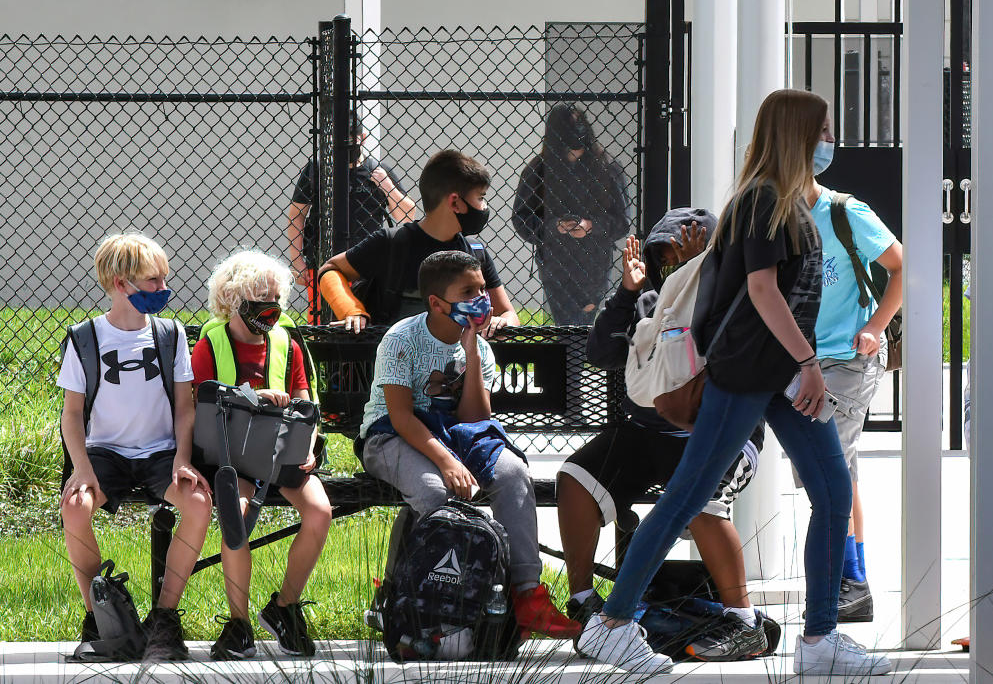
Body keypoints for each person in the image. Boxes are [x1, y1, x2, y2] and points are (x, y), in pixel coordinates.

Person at [576, 89, 891, 676]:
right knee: (688, 496)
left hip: (774, 374)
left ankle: (820, 639)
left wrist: (798, 365)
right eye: (823, 131)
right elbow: (764, 290)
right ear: (798, 134)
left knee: (832, 490)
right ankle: (612, 624)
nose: (830, 141)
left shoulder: (782, 197)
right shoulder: (764, 198)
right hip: (750, 370)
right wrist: (808, 363)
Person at [561, 207, 767, 660]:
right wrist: (626, 290)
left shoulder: (736, 289)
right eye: (665, 256)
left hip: (720, 433)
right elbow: (601, 352)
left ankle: (743, 622)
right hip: (647, 433)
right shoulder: (648, 299)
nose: (674, 264)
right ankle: (582, 602)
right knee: (576, 477)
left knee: (702, 502)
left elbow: (720, 341)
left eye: (687, 253)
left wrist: (703, 273)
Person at [357, 250, 579, 639]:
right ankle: (409, 597)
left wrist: (473, 352)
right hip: (391, 435)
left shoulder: (480, 346)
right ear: (437, 303)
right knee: (434, 493)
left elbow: (476, 420)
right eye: (469, 291)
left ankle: (528, 596)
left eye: (483, 288)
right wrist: (446, 462)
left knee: (512, 473)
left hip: (455, 433)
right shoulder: (401, 339)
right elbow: (400, 417)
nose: (483, 299)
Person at [57, 233, 212, 661]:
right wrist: (82, 468)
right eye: (153, 280)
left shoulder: (171, 334)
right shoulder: (85, 338)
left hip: (160, 453)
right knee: (74, 507)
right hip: (105, 454)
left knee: (199, 503)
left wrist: (182, 458)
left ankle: (164, 618)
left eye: (165, 277)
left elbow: (185, 407)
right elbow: (72, 414)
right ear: (121, 283)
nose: (164, 287)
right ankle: (101, 620)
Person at [191, 250, 332, 660]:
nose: (269, 309)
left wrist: (308, 446)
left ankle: (285, 607)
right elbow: (200, 402)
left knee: (319, 511)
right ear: (233, 298)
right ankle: (239, 623)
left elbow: (306, 404)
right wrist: (252, 398)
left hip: (279, 452)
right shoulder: (211, 345)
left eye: (275, 299)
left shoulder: (287, 345)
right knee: (235, 514)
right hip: (231, 456)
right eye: (259, 299)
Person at [805, 125, 903, 622]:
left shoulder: (845, 212)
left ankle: (851, 581)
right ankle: (852, 577)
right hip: (795, 360)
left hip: (846, 359)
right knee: (835, 470)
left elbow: (901, 266)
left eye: (827, 134)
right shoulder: (768, 213)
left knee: (831, 470)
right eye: (815, 134)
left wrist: (875, 326)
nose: (825, 144)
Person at [317, 149, 519, 335]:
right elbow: (329, 269)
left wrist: (502, 322)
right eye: (481, 197)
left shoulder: (476, 252)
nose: (484, 207)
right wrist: (351, 311)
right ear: (455, 202)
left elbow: (508, 314)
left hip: (457, 370)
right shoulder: (391, 243)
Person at [512, 104, 630, 325]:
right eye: (566, 152)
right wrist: (554, 227)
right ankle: (572, 358)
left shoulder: (607, 167)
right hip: (556, 265)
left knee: (585, 328)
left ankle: (579, 357)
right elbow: (521, 217)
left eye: (579, 149)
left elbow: (622, 221)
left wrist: (590, 225)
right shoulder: (539, 169)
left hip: (594, 264)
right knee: (566, 329)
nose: (574, 156)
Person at [287, 113, 418, 291]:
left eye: (350, 139)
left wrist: (387, 186)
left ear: (362, 139)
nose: (345, 146)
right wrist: (297, 260)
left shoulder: (377, 170)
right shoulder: (317, 169)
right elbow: (297, 215)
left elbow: (407, 214)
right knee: (323, 315)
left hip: (369, 261)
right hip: (323, 259)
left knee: (367, 314)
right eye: (338, 140)